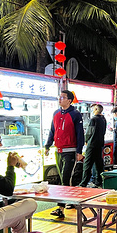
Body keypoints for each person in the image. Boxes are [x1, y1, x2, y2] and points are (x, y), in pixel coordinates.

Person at [45, 90, 84, 219]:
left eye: (63, 97)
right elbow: (52, 130)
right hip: (58, 150)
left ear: (69, 100)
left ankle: (62, 206)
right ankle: (67, 202)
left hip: (70, 151)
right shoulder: (55, 113)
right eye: (59, 97)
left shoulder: (75, 114)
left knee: (67, 177)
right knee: (61, 177)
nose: (60, 99)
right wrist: (47, 145)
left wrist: (79, 151)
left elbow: (80, 134)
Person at [80, 104, 106, 188]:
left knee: (87, 164)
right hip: (100, 143)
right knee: (98, 164)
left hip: (92, 144)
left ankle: (84, 183)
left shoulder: (93, 119)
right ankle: (99, 181)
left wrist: (85, 140)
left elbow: (89, 132)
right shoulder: (103, 119)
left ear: (95, 109)